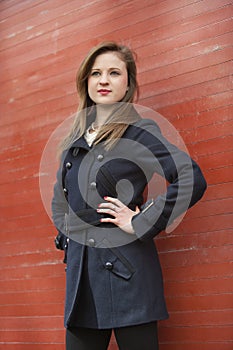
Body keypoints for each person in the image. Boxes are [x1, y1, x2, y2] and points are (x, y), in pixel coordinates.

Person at [52, 41, 207, 350]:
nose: (104, 80)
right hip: (83, 278)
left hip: (127, 273)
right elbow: (62, 199)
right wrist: (67, 239)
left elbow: (192, 177)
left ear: (127, 84)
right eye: (96, 73)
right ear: (87, 81)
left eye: (114, 73)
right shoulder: (74, 141)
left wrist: (141, 219)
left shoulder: (139, 132)